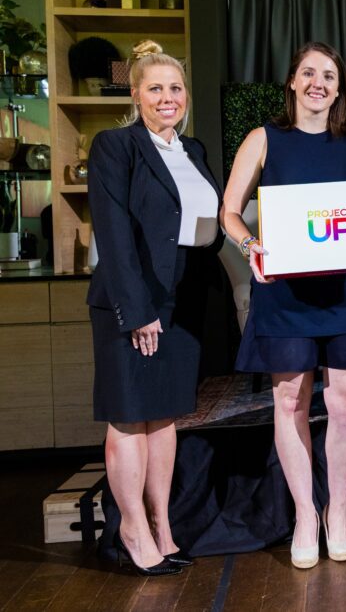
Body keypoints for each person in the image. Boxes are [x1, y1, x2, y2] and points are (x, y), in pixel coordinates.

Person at [221, 42, 346, 569]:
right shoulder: (262, 139)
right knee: (290, 402)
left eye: (330, 76)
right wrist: (252, 249)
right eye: (309, 73)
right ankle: (303, 515)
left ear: (338, 89)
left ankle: (336, 513)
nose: (319, 83)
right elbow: (229, 212)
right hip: (285, 293)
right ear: (292, 81)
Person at [88, 39, 221, 576]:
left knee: (164, 420)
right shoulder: (116, 146)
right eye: (156, 88)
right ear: (137, 95)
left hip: (184, 303)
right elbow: (115, 234)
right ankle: (131, 530)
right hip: (134, 301)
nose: (169, 98)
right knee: (130, 421)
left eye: (176, 88)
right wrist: (138, 309)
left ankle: (162, 526)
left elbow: (206, 226)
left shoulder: (194, 151)